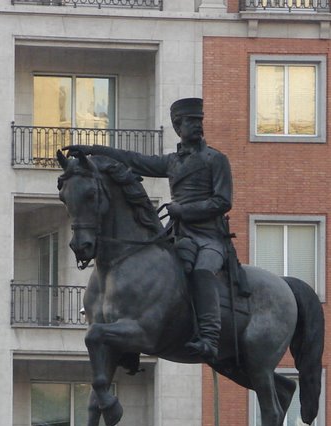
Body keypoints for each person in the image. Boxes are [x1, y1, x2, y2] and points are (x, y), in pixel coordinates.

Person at [65, 97, 232, 362]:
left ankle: (210, 338)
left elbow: (223, 201)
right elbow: (133, 159)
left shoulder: (216, 160)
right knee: (153, 273)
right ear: (178, 127)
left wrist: (184, 210)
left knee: (202, 270)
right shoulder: (172, 162)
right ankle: (131, 343)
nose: (197, 127)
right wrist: (91, 150)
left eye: (199, 121)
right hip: (178, 234)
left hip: (210, 237)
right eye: (190, 122)